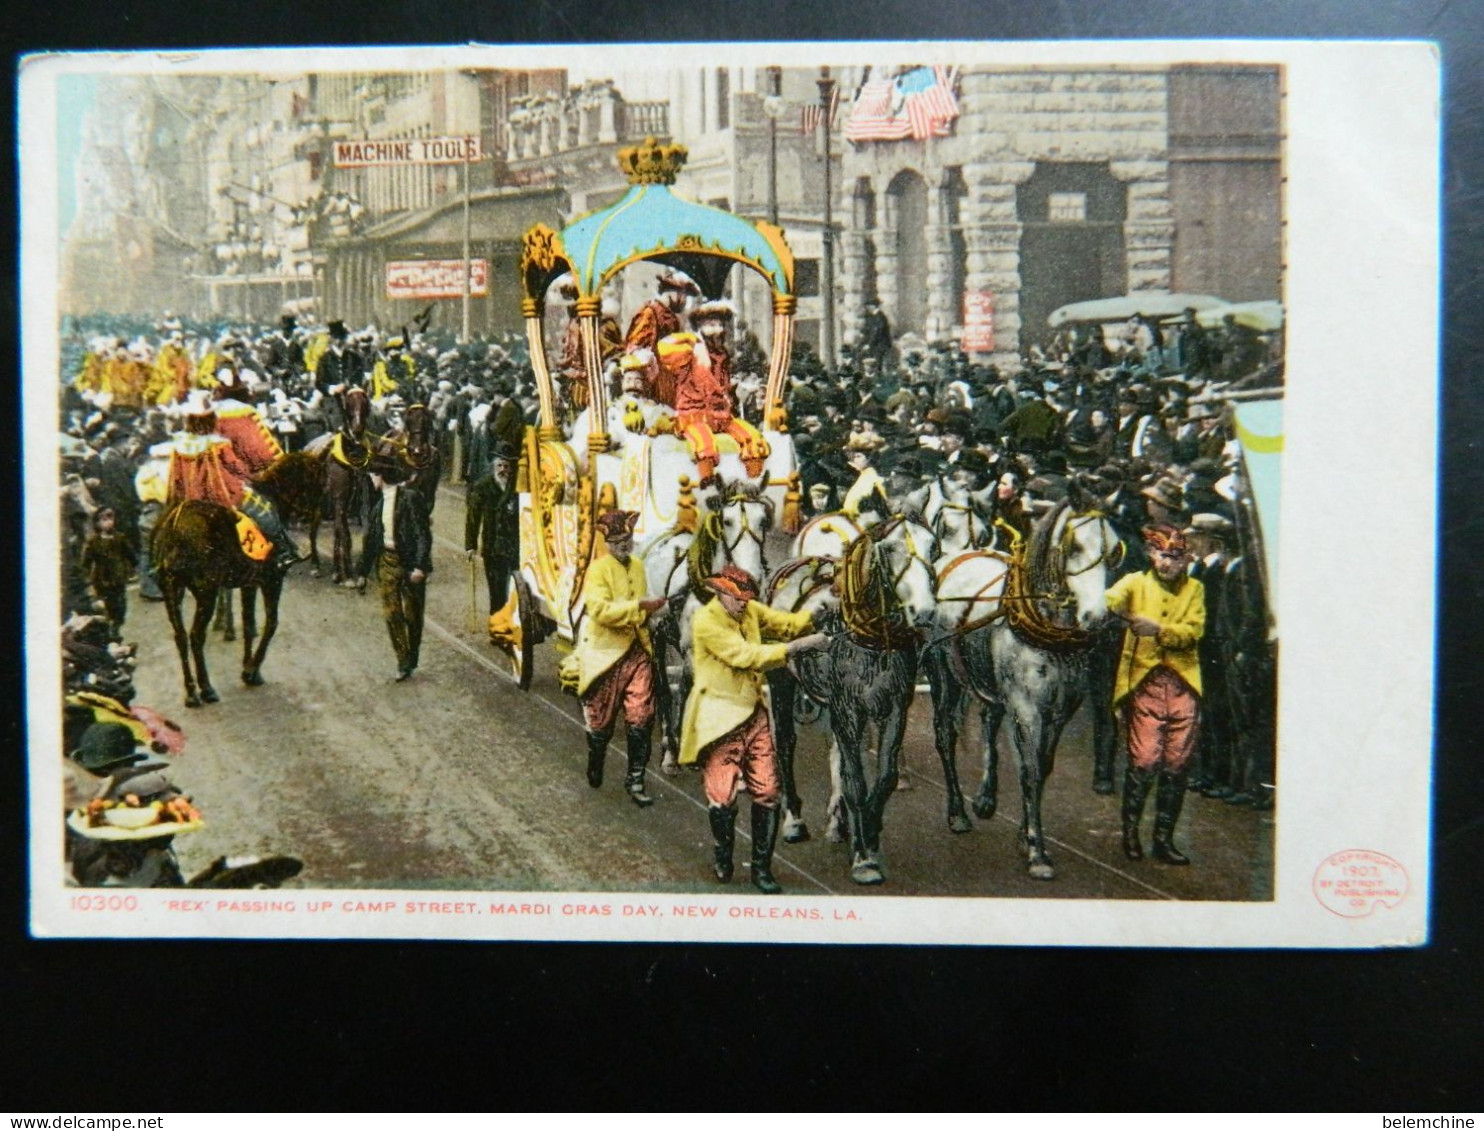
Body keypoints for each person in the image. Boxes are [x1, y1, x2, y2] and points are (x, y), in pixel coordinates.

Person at [679, 564, 828, 893]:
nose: (745, 605)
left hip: (753, 714)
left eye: (747, 599)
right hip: (718, 718)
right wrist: (801, 647)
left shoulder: (747, 609)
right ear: (720, 594)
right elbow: (746, 655)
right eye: (738, 599)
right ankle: (723, 854)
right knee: (722, 797)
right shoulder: (706, 621)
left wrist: (818, 611)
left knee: (769, 791)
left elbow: (786, 623)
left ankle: (762, 868)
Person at [1105, 524, 1206, 865]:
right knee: (1144, 761)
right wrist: (1119, 611)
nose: (1169, 564)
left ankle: (1163, 840)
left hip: (1183, 687)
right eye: (1163, 556)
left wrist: (1159, 629)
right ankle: (1131, 835)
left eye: (1176, 557)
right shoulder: (1134, 582)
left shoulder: (1196, 589)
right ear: (1151, 554)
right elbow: (1108, 602)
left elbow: (1194, 631)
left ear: (1186, 559)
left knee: (1177, 766)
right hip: (1144, 684)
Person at [570, 510, 667, 806]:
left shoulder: (638, 565)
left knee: (641, 718)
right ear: (607, 544)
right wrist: (638, 605)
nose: (623, 546)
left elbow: (645, 598)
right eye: (617, 542)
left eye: (627, 540)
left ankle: (636, 780)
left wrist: (657, 610)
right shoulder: (598, 570)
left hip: (637, 651)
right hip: (606, 655)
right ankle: (596, 759)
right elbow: (599, 611)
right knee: (601, 724)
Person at [358, 457, 434, 682]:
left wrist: (421, 566)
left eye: (373, 475)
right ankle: (403, 660)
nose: (371, 480)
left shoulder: (410, 498)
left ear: (381, 477)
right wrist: (363, 572)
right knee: (392, 614)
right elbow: (371, 541)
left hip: (410, 562)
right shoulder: (378, 506)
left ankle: (412, 656)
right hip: (387, 561)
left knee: (413, 614)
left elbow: (422, 535)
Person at [624, 270, 698, 405]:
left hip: (669, 383)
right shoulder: (650, 313)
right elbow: (634, 349)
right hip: (652, 385)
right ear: (672, 292)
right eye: (683, 295)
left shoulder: (672, 318)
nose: (685, 301)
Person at [464, 441, 521, 616]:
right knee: (496, 590)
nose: (503, 470)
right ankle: (498, 626)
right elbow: (473, 518)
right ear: (493, 466)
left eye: (507, 466)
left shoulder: (519, 487)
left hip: (515, 547)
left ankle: (512, 624)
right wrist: (470, 545)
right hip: (492, 547)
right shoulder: (482, 487)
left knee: (515, 588)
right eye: (499, 465)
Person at [79, 508, 134, 631]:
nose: (108, 522)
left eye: (111, 519)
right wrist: (87, 575)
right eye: (104, 520)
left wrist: (131, 567)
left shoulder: (120, 538)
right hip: (101, 577)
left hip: (118, 575)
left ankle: (117, 621)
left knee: (120, 600)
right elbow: (86, 561)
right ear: (97, 523)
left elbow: (130, 554)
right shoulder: (93, 542)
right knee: (106, 601)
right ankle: (109, 621)